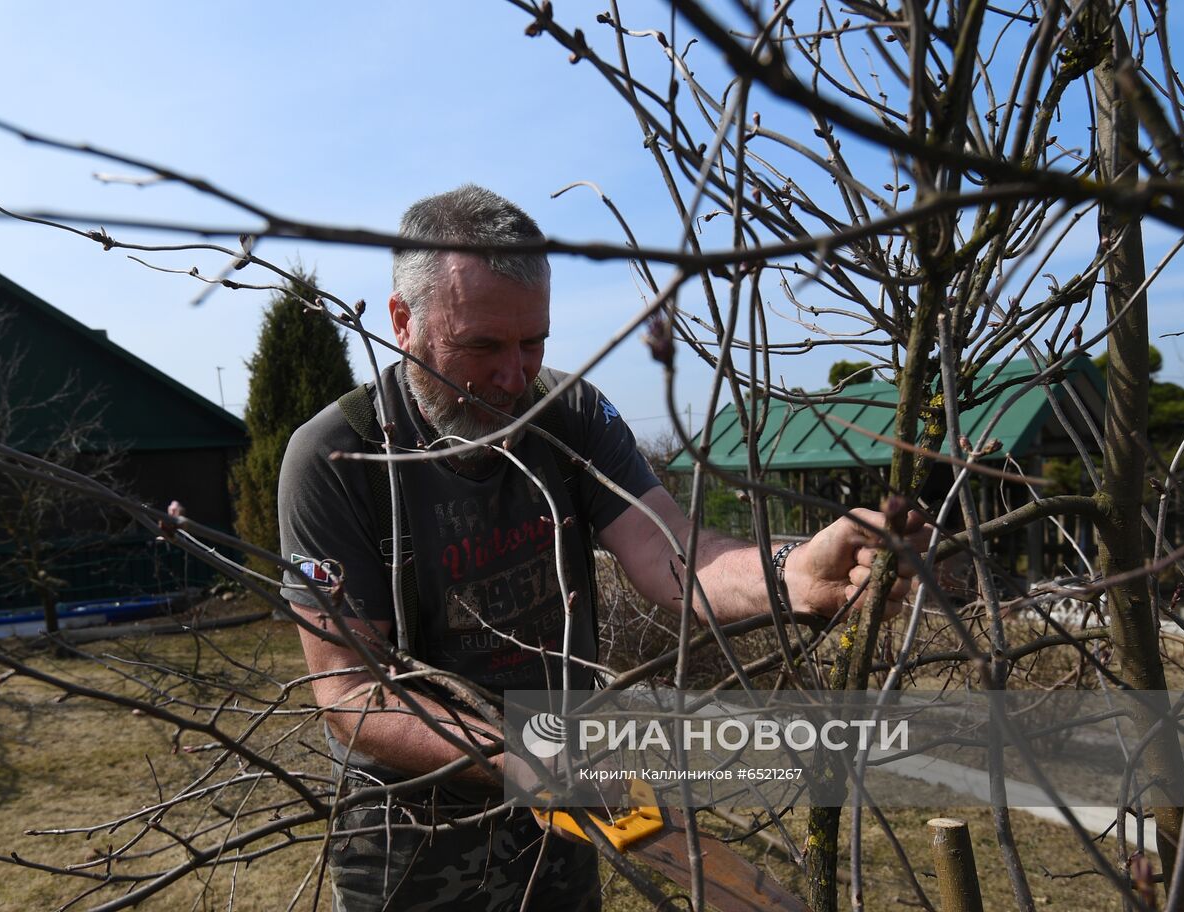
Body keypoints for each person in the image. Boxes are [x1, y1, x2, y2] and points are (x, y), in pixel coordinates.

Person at [277, 184, 927, 911]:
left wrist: (797, 576)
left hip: (561, 820)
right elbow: (354, 697)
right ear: (403, 322)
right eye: (482, 346)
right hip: (409, 845)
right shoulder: (338, 458)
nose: (513, 376)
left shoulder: (569, 416)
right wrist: (522, 755)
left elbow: (674, 556)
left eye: (534, 343)